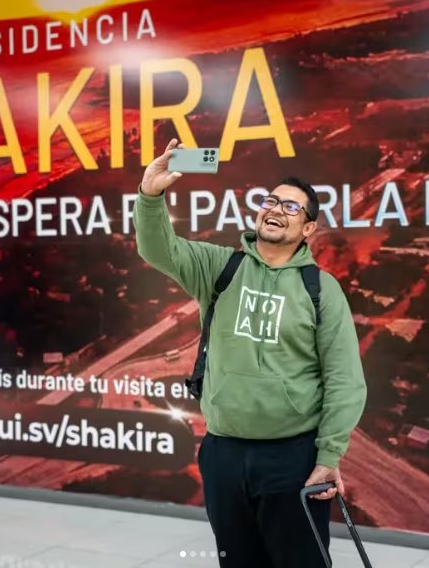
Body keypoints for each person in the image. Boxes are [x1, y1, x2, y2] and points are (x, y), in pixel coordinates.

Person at [133, 139, 367, 568]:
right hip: (223, 452)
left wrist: (328, 456)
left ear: (308, 229)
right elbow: (158, 249)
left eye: (292, 207)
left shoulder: (321, 289)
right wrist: (150, 196)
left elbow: (345, 380)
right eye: (271, 201)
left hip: (292, 458)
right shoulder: (221, 267)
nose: (276, 209)